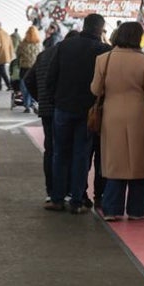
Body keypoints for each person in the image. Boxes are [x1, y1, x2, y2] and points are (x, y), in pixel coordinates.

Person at [92, 21, 144, 220]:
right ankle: (137, 210)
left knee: (115, 161)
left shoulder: (103, 60)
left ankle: (112, 208)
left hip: (112, 115)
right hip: (138, 115)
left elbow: (95, 90)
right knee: (138, 161)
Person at [46, 13, 108, 213]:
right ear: (100, 29)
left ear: (84, 26)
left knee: (60, 153)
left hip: (62, 107)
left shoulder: (65, 46)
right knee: (81, 156)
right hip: (88, 110)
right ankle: (77, 201)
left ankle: (57, 198)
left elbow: (51, 76)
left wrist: (55, 99)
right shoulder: (103, 50)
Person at [24, 31, 72, 204]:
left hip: (46, 110)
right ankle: (67, 190)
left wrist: (40, 98)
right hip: (64, 108)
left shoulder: (43, 55)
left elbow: (28, 79)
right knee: (68, 150)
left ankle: (51, 190)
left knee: (50, 150)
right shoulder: (67, 57)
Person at [16, 25, 42, 112]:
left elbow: (18, 54)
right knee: (33, 85)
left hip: (24, 68)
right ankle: (33, 103)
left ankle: (27, 105)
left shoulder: (22, 44)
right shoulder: (39, 44)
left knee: (24, 87)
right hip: (35, 68)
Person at [0, 21, 15, 91]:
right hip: (5, 54)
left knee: (2, 71)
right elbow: (11, 45)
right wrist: (10, 55)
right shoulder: (6, 33)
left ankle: (9, 85)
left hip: (0, 55)